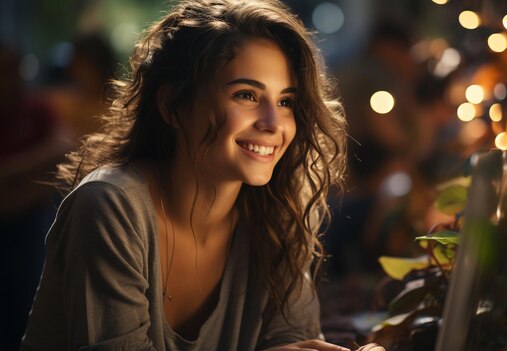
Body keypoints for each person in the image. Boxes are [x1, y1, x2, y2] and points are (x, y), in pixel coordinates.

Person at [20, 1, 384, 350]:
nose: (274, 124)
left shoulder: (280, 215)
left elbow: (289, 340)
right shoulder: (110, 206)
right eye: (246, 95)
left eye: (286, 101)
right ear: (171, 105)